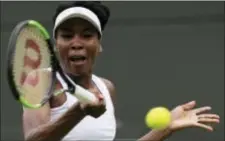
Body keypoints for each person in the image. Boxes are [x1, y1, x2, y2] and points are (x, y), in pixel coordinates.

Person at [22, 1, 220, 141]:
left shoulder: (106, 88)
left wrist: (165, 129)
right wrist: (78, 112)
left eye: (87, 35)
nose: (76, 43)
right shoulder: (40, 81)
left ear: (99, 45)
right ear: (56, 45)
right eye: (67, 36)